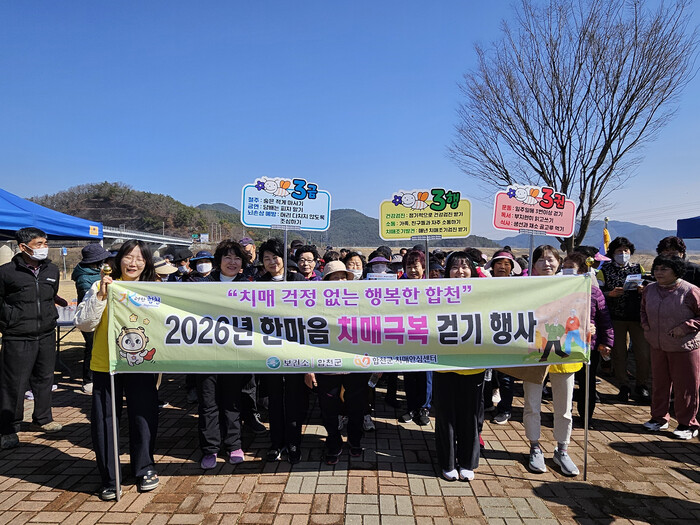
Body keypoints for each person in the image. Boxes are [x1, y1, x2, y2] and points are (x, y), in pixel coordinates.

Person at [74, 240, 160, 500]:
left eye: (140, 258)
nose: (133, 263)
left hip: (142, 364)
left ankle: (144, 467)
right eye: (128, 257)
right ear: (118, 260)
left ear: (147, 263)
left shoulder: (154, 288)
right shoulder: (102, 285)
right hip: (106, 364)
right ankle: (110, 477)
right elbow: (84, 323)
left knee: (143, 417)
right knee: (105, 420)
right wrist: (101, 295)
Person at [0, 227, 62, 450]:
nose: (44, 248)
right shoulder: (6, 272)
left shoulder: (52, 270)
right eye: (39, 244)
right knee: (14, 383)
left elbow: (51, 296)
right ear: (23, 247)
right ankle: (8, 427)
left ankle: (43, 418)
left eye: (45, 243)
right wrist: (8, 322)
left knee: (45, 378)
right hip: (17, 335)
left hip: (46, 333)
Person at [195, 240, 254, 469]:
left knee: (232, 402)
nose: (232, 262)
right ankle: (210, 448)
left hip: (234, 354)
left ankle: (233, 445)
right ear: (218, 261)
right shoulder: (202, 285)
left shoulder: (250, 287)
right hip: (205, 354)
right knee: (208, 403)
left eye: (237, 258)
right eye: (227, 257)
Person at [523, 245, 580, 476]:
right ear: (533, 264)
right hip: (535, 353)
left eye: (551, 259)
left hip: (565, 354)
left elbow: (583, 313)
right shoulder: (524, 287)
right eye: (541, 260)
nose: (546, 264)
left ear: (559, 262)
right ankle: (534, 447)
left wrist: (589, 326)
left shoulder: (573, 285)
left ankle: (562, 449)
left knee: (564, 408)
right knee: (532, 404)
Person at [306, 261, 369, 464]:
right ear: (326, 281)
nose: (340, 281)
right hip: (326, 367)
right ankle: (333, 442)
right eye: (335, 278)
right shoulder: (315, 306)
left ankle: (355, 440)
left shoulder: (360, 304)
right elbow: (308, 338)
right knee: (328, 409)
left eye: (344, 277)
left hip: (356, 365)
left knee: (356, 407)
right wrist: (309, 369)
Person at [433, 252, 484, 481]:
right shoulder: (436, 293)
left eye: (465, 267)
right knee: (445, 416)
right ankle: (447, 462)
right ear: (447, 271)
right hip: (443, 364)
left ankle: (467, 462)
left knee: (469, 416)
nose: (460, 271)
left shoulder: (483, 292)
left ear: (472, 270)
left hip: (473, 365)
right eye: (454, 267)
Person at [257, 238, 306, 464]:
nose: (271, 262)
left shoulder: (298, 280)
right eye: (266, 258)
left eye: (275, 257)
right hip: (270, 350)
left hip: (295, 349)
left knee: (294, 398)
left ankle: (294, 442)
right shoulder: (258, 284)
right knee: (274, 398)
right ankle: (276, 442)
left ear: (284, 258)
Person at [641, 255, 700, 440]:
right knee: (659, 384)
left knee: (686, 387)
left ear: (676, 271)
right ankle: (659, 418)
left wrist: (686, 327)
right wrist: (646, 326)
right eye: (656, 268)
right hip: (657, 345)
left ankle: (688, 424)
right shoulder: (650, 289)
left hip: (684, 347)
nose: (658, 273)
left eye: (664, 269)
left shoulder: (690, 291)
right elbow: (643, 310)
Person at [562, 252, 614, 424]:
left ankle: (586, 417)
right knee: (566, 382)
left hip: (588, 345)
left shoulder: (594, 292)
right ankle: (564, 414)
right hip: (565, 344)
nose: (566, 270)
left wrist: (606, 342)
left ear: (583, 270)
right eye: (564, 267)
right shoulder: (558, 291)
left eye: (571, 268)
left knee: (587, 383)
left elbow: (604, 319)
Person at [598, 237, 650, 403]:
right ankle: (623, 385)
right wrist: (610, 294)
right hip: (615, 318)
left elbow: (648, 286)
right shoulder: (604, 270)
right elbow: (598, 294)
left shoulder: (638, 268)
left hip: (637, 318)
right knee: (619, 354)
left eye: (625, 251)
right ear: (612, 253)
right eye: (619, 251)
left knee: (643, 354)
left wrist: (643, 289)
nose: (623, 254)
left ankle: (642, 385)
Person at [482, 249, 522, 425]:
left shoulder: (518, 287)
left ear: (511, 268)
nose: (502, 267)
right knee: (486, 374)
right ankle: (487, 404)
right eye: (498, 263)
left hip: (508, 337)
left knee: (506, 377)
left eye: (506, 264)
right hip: (487, 336)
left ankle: (505, 409)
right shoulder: (483, 286)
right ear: (492, 266)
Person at [72, 243, 112, 394]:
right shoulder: (84, 278)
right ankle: (88, 380)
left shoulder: (95, 272)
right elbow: (88, 301)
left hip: (102, 314)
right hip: (90, 315)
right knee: (91, 347)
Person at [398, 250, 432, 426]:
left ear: (423, 267)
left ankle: (424, 408)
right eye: (408, 267)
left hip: (427, 338)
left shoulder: (431, 286)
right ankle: (411, 407)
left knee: (426, 374)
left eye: (415, 266)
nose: (412, 270)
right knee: (409, 374)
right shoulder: (397, 287)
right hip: (406, 337)